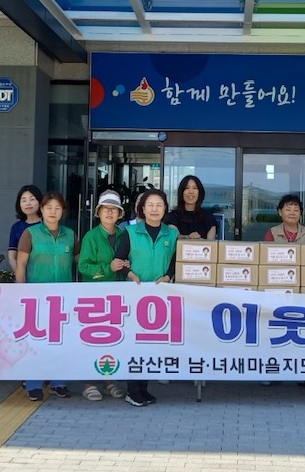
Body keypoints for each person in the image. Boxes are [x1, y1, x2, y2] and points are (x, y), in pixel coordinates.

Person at [114, 187, 177, 407]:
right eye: (150, 205)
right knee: (134, 343)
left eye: (159, 205)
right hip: (135, 295)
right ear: (142, 208)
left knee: (151, 343)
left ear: (165, 209)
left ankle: (144, 388)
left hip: (160, 296)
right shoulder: (130, 232)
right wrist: (131, 274)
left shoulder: (172, 234)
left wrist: (168, 276)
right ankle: (132, 390)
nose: (154, 209)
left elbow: (175, 261)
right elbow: (119, 260)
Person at [15, 190, 75, 402]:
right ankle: (34, 384)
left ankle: (58, 383)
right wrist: (20, 292)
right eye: (49, 207)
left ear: (63, 211)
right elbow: (21, 265)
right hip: (36, 298)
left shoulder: (70, 235)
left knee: (60, 342)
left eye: (57, 208)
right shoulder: (30, 234)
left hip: (63, 298)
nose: (53, 212)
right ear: (41, 209)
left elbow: (80, 261)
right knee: (36, 343)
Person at [75, 189, 129, 402]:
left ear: (119, 213)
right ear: (98, 212)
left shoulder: (125, 234)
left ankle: (109, 381)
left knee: (114, 340)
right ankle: (89, 383)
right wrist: (109, 268)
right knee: (93, 340)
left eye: (114, 209)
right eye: (105, 209)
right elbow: (83, 266)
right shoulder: (91, 236)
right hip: (95, 297)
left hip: (118, 296)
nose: (109, 212)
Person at [166, 174, 216, 240]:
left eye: (195, 188)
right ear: (181, 192)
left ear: (200, 192)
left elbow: (211, 245)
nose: (191, 192)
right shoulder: (172, 217)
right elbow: (175, 240)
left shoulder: (209, 218)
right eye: (187, 188)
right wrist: (188, 237)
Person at [7, 184, 42, 272]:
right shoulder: (16, 227)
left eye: (32, 199)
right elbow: (12, 256)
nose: (28, 203)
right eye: (24, 200)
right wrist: (20, 274)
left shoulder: (47, 225)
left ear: (40, 201)